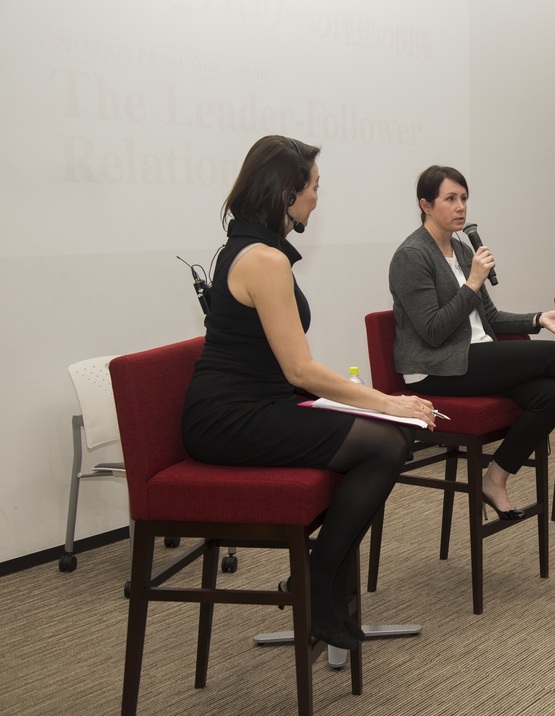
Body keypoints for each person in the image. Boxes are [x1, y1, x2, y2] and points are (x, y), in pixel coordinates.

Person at [182, 135, 436, 651]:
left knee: (389, 436)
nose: (318, 198)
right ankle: (317, 581)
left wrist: (370, 403)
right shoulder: (264, 261)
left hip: (257, 405)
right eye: (314, 187)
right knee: (387, 441)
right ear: (285, 193)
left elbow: (286, 370)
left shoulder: (250, 249)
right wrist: (388, 401)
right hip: (230, 418)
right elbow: (299, 369)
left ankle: (318, 581)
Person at [388, 165, 555, 520]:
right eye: (450, 199)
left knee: (552, 395)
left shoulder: (462, 249)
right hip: (435, 367)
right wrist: (471, 284)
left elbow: (491, 317)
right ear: (425, 204)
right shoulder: (412, 256)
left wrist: (537, 319)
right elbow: (433, 331)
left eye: (464, 198)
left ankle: (495, 479)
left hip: (473, 357)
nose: (461, 208)